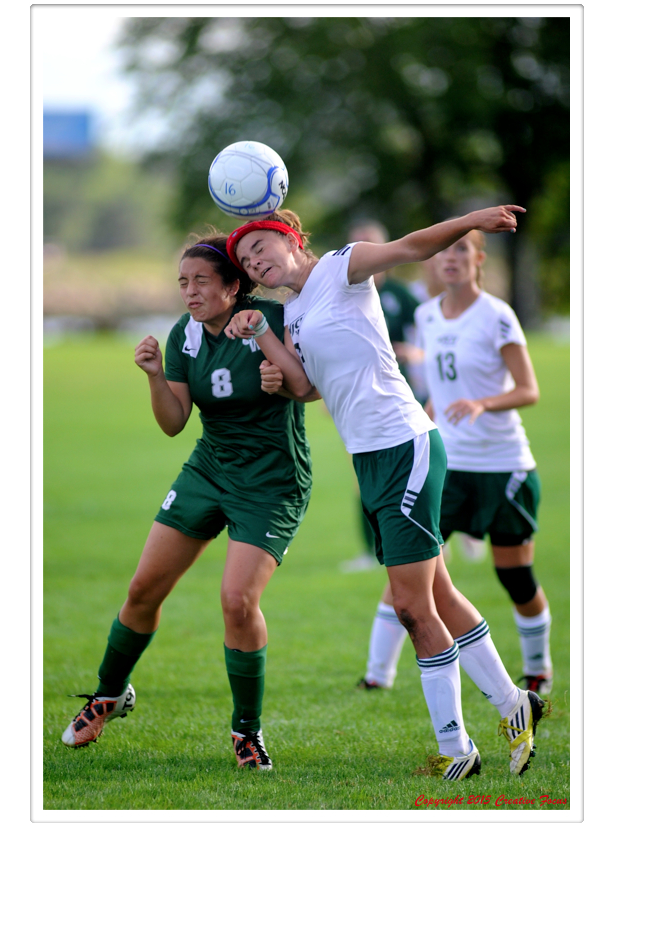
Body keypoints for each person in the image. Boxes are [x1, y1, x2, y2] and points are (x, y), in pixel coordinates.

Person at [224, 206, 547, 779]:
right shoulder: (291, 312)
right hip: (370, 458)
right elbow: (307, 387)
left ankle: (456, 749)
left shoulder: (341, 267)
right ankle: (513, 704)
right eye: (246, 262)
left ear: (290, 239)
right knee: (438, 596)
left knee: (409, 604)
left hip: (405, 444)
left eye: (260, 248)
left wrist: (474, 220)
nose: (255, 264)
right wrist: (269, 351)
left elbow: (413, 245)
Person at [60, 235, 312, 771]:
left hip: (271, 481)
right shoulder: (186, 336)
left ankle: (246, 733)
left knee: (237, 601)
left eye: (201, 281)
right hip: (209, 468)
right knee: (143, 588)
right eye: (182, 283)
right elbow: (174, 423)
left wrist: (283, 378)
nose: (189, 292)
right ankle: (109, 695)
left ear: (232, 285)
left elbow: (307, 383)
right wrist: (155, 377)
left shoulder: (271, 318)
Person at [360, 230, 554, 697]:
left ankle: (538, 668)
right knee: (409, 566)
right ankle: (376, 674)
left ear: (478, 259)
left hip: (503, 467)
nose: (450, 258)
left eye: (461, 249)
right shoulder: (426, 316)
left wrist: (482, 404)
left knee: (515, 577)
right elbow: (436, 384)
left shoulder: (497, 316)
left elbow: (528, 389)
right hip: (448, 467)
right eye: (444, 250)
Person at [339, 220, 424, 573]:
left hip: (403, 401)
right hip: (358, 402)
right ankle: (371, 551)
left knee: (414, 477)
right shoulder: (341, 295)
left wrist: (410, 353)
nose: (366, 250)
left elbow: (426, 347)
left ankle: (429, 540)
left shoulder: (403, 298)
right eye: (358, 244)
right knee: (363, 480)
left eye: (372, 243)